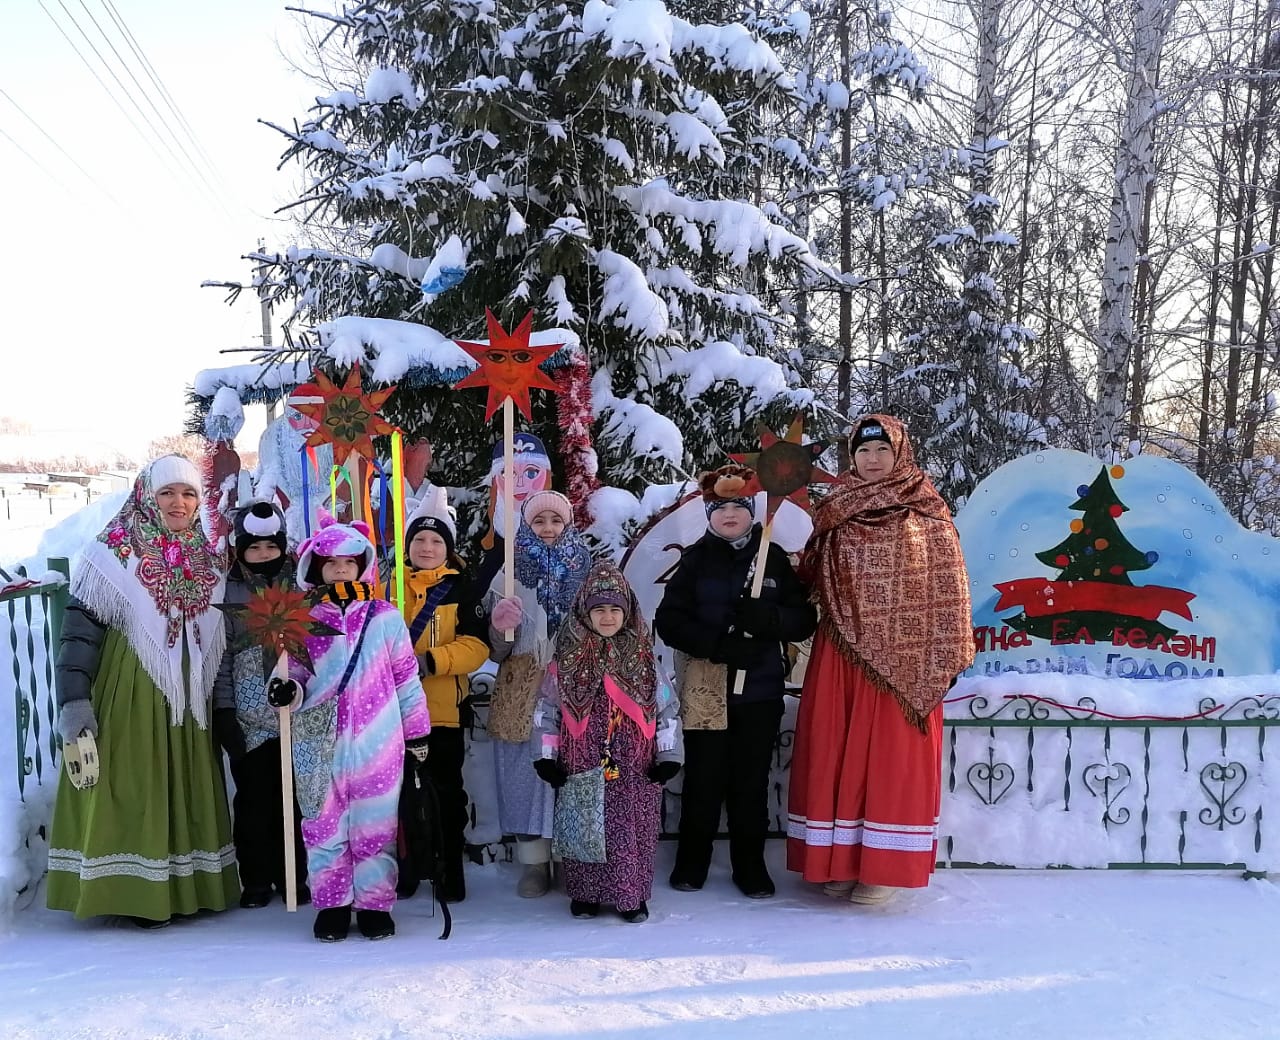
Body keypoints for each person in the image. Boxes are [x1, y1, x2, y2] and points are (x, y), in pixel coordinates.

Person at [786, 415, 974, 904]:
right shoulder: (835, 510)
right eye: (863, 451)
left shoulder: (927, 509)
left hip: (905, 660)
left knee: (888, 756)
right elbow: (812, 575)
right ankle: (840, 859)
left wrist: (939, 648)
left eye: (882, 451)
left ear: (899, 453)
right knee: (836, 747)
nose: (872, 460)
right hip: (843, 649)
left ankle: (882, 866)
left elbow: (948, 587)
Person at [47, 454, 239, 926]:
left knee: (184, 786)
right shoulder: (112, 551)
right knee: (134, 783)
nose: (178, 502)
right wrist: (74, 699)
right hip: (132, 691)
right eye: (167, 492)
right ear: (145, 497)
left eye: (188, 493)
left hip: (191, 702)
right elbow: (80, 633)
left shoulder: (210, 558)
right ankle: (133, 893)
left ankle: (187, 888)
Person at [655, 464, 816, 898]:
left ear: (752, 512)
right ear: (710, 514)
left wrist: (770, 619)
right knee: (703, 780)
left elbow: (803, 619)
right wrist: (717, 645)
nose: (729, 515)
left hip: (759, 691)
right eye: (720, 508)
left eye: (738, 507)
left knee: (750, 782)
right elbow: (669, 621)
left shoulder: (772, 558)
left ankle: (750, 865)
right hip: (707, 689)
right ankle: (692, 861)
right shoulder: (695, 560)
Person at [270, 515, 431, 941]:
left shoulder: (385, 618)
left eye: (348, 562)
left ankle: (375, 904)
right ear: (316, 567)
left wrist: (417, 731)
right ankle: (332, 905)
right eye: (331, 563)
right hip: (316, 742)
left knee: (375, 826)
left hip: (379, 741)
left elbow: (406, 677)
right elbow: (290, 676)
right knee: (323, 825)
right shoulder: (299, 620)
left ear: (362, 566)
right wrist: (285, 691)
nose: (340, 570)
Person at [532, 560, 682, 922]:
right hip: (581, 762)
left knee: (629, 828)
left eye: (615, 609)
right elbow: (547, 709)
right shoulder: (565, 661)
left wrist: (669, 756)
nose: (608, 617)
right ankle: (586, 894)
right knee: (585, 826)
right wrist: (546, 756)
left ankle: (631, 895)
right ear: (585, 613)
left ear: (627, 612)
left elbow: (666, 708)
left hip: (635, 768)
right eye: (599, 609)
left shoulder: (644, 660)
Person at [486, 490, 593, 897]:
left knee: (570, 769)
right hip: (522, 689)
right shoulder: (509, 572)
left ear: (568, 524)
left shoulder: (586, 569)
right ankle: (534, 863)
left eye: (556, 520)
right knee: (526, 777)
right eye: (539, 521)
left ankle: (569, 858)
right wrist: (500, 627)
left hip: (572, 685)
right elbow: (496, 651)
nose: (548, 528)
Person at [388, 484, 488, 903]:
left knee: (446, 794)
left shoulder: (461, 588)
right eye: (419, 540)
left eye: (435, 541)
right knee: (396, 798)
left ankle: (448, 870)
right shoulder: (388, 586)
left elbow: (477, 646)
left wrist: (432, 661)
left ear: (447, 547)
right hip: (392, 714)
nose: (426, 548)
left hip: (442, 712)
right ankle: (408, 868)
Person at [212, 500, 308, 908]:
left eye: (271, 547)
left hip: (294, 712)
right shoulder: (229, 591)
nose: (264, 554)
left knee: (294, 797)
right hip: (249, 715)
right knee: (254, 799)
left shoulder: (300, 585)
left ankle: (293, 874)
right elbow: (221, 657)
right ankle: (255, 876)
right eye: (254, 548)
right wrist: (224, 711)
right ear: (241, 550)